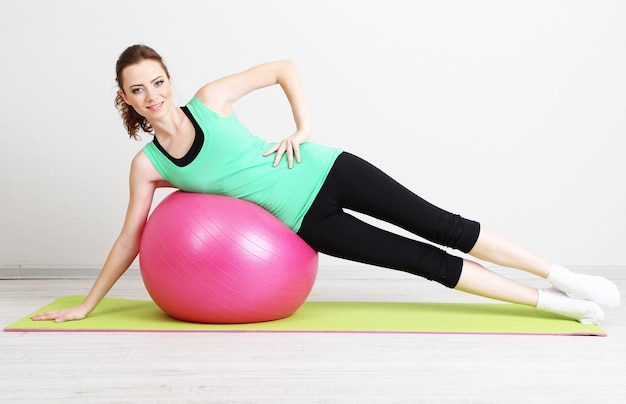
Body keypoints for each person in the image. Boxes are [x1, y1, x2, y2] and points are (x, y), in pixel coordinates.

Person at [33, 44, 619, 325]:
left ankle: (566, 277)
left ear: (169, 79)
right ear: (125, 98)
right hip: (309, 222)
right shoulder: (149, 166)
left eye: (158, 81)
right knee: (424, 262)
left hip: (327, 169)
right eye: (139, 89)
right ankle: (561, 308)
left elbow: (284, 67)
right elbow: (130, 238)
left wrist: (302, 128)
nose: (153, 95)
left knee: (446, 227)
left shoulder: (211, 100)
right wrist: (88, 304)